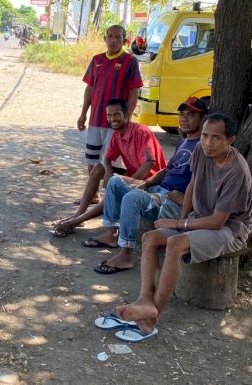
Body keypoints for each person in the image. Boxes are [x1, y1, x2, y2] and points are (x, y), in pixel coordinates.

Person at [113, 114, 252, 341]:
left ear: (231, 140)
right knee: (150, 238)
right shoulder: (200, 150)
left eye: (216, 138)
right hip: (198, 218)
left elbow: (218, 221)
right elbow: (192, 186)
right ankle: (144, 300)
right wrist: (184, 218)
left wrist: (179, 224)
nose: (208, 142)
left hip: (230, 230)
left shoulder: (236, 170)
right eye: (205, 135)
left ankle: (151, 316)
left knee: (175, 243)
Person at [91, 97, 208, 273]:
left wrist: (186, 201)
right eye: (182, 114)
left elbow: (203, 183)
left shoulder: (204, 148)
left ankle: (126, 254)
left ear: (203, 119)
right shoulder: (184, 142)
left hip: (172, 200)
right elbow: (167, 170)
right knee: (115, 181)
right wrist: (146, 183)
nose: (184, 118)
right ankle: (111, 234)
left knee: (133, 198)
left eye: (191, 115)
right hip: (158, 190)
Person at [52, 98, 166, 239]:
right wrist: (109, 171)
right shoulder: (117, 134)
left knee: (115, 184)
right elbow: (107, 158)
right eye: (109, 115)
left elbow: (150, 162)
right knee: (99, 168)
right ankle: (78, 214)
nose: (112, 119)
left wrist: (129, 182)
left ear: (127, 114)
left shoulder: (142, 132)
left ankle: (75, 222)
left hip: (151, 183)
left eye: (116, 114)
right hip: (134, 178)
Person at [77, 25, 143, 203]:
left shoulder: (130, 62)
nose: (113, 40)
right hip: (95, 119)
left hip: (115, 123)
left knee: (112, 161)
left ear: (124, 40)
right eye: (110, 36)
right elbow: (90, 87)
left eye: (118, 37)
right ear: (105, 38)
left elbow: (133, 91)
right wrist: (83, 114)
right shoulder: (97, 60)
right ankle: (93, 194)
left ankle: (111, 197)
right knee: (91, 158)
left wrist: (127, 115)